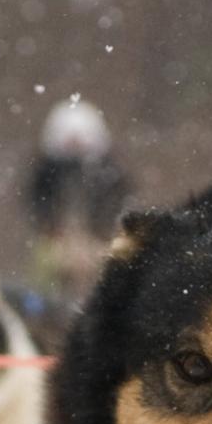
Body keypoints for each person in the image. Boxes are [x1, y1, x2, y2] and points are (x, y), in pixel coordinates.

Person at [22, 95, 129, 309]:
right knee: (44, 264)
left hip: (97, 235)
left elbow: (117, 200)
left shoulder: (108, 171)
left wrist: (102, 228)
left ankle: (109, 308)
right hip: (58, 236)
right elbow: (36, 200)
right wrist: (50, 226)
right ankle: (37, 308)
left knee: (111, 266)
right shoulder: (47, 170)